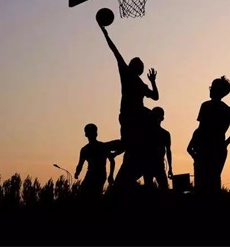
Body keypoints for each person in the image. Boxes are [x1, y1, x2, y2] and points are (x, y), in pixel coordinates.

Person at [99, 25, 159, 191]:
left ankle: (113, 151)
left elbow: (155, 97)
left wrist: (153, 81)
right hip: (132, 116)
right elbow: (155, 96)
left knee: (131, 143)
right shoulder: (131, 77)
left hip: (132, 116)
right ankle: (113, 150)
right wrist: (106, 34)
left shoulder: (134, 79)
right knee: (131, 143)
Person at [190, 76, 230, 195]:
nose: (210, 90)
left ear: (220, 92)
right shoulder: (217, 108)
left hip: (212, 149)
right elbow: (200, 129)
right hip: (209, 148)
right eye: (211, 87)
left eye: (213, 88)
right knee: (208, 182)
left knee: (208, 183)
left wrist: (226, 142)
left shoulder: (212, 107)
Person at [74, 124, 123, 199]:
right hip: (91, 174)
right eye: (90, 133)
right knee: (83, 194)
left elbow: (111, 160)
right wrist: (77, 173)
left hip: (99, 175)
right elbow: (80, 164)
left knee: (94, 195)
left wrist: (111, 175)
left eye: (93, 132)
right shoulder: (86, 149)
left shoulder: (102, 147)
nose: (92, 135)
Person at [143, 107, 173, 191]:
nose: (155, 119)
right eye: (154, 116)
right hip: (148, 165)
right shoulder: (146, 133)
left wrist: (170, 168)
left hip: (159, 165)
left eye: (157, 117)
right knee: (149, 189)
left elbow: (168, 151)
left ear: (161, 118)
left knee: (163, 188)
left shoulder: (165, 134)